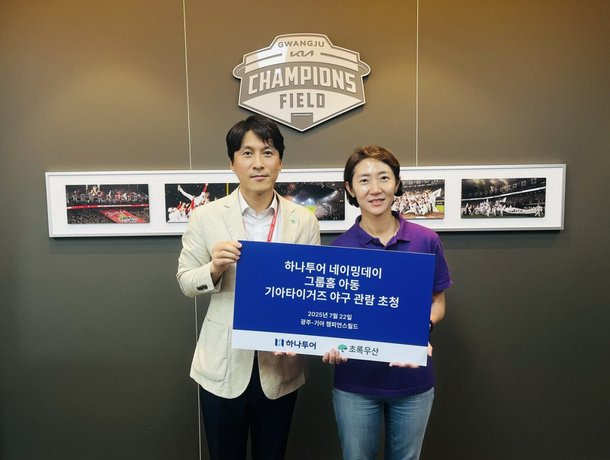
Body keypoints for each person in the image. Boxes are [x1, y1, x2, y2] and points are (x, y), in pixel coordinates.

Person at [176, 114, 320, 460]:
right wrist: (214, 268)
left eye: (268, 153)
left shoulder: (304, 220)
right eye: (247, 153)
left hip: (280, 366)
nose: (258, 163)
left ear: (280, 162)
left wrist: (299, 335)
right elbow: (186, 280)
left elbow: (310, 291)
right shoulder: (206, 217)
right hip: (222, 365)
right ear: (232, 163)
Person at [323, 146, 452, 460]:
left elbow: (438, 301)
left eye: (384, 178)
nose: (375, 189)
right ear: (350, 189)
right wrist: (328, 342)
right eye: (364, 180)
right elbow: (333, 316)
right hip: (355, 383)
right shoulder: (339, 249)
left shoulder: (425, 240)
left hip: (412, 381)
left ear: (397, 184)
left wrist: (421, 329)